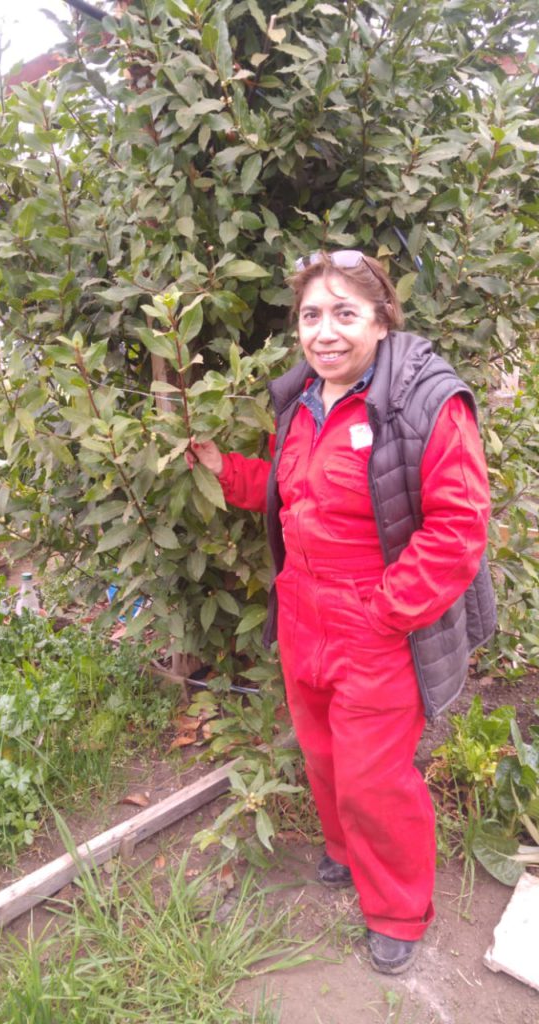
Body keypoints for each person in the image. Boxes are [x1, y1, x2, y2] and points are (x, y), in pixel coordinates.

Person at [186, 250, 496, 974]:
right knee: (323, 755)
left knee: (374, 777)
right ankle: (343, 853)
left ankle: (398, 910)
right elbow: (288, 489)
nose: (324, 332)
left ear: (383, 320)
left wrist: (387, 613)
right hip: (303, 610)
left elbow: (458, 528)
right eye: (311, 315)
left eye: (345, 314)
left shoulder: (427, 401)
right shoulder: (300, 402)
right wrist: (220, 469)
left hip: (377, 620)